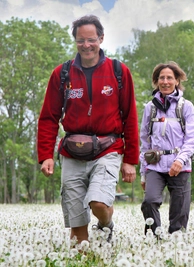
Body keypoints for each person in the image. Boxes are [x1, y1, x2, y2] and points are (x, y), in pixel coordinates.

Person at [37, 15, 139, 243]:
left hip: (108, 148)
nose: (86, 45)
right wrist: (46, 156)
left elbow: (130, 117)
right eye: (81, 40)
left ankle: (106, 223)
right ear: (75, 41)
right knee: (77, 226)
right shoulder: (62, 74)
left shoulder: (118, 72)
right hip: (72, 151)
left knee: (99, 203)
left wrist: (130, 159)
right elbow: (48, 118)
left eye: (91, 40)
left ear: (101, 39)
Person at [140, 61, 194, 235]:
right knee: (149, 201)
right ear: (156, 81)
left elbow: (192, 138)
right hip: (155, 165)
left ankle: (176, 244)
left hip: (180, 165)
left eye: (169, 78)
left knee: (179, 212)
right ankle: (154, 237)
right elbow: (144, 140)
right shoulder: (149, 108)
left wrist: (180, 160)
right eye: (161, 78)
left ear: (177, 81)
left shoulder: (186, 107)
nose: (165, 81)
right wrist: (143, 172)